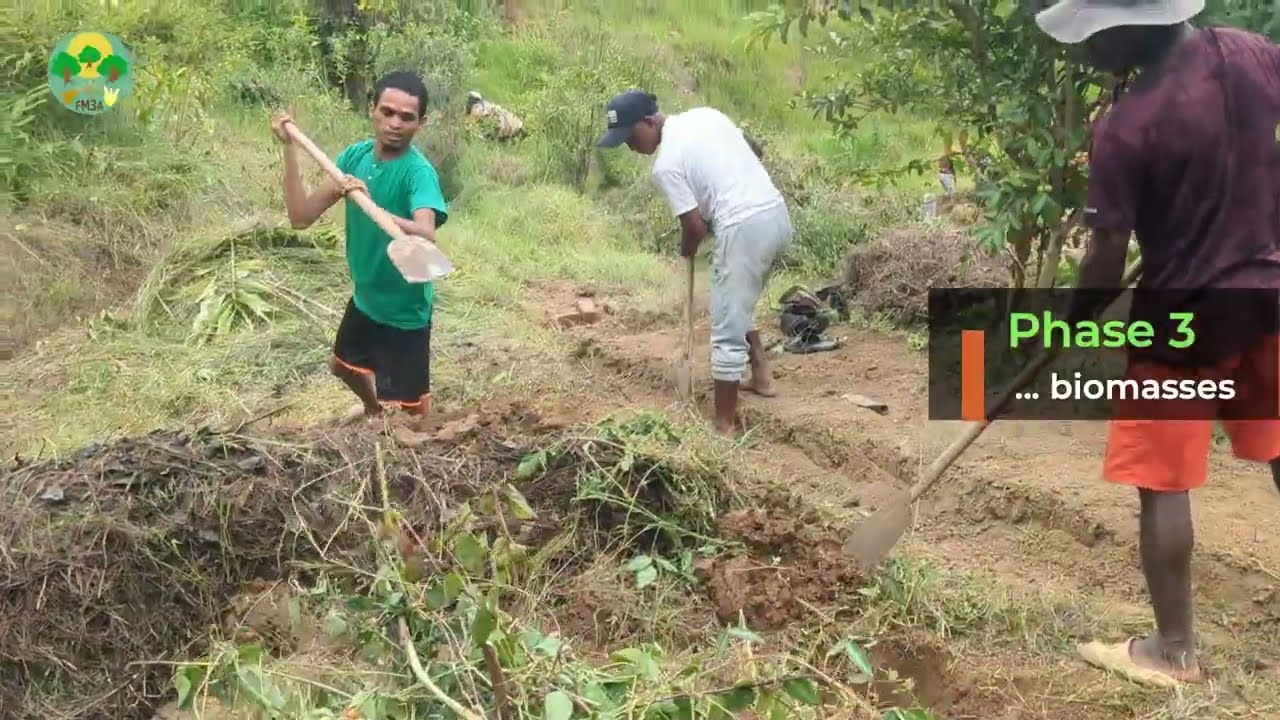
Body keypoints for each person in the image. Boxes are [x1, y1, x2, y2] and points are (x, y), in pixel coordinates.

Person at [1036, 0, 1280, 687]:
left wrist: (1072, 322)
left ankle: (1173, 649)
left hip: (1184, 322)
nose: (1087, 54)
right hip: (1268, 297)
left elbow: (1105, 255)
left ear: (1131, 26)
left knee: (1162, 482)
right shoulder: (1250, 53)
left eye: (1093, 38)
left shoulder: (1126, 127)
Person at [595, 90, 792, 435]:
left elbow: (694, 226)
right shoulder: (707, 115)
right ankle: (761, 374)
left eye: (630, 136)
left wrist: (685, 250)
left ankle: (723, 425)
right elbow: (753, 150)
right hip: (776, 216)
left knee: (725, 328)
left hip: (743, 225)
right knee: (735, 302)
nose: (629, 146)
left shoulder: (666, 164)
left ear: (649, 121)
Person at [270, 70, 449, 428]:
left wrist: (374, 206)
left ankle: (413, 428)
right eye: (387, 112)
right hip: (367, 296)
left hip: (404, 312)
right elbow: (300, 217)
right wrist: (288, 148)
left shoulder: (418, 173)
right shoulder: (354, 158)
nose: (394, 123)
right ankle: (373, 408)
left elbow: (426, 233)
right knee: (342, 366)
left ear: (421, 123)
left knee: (411, 419)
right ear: (372, 110)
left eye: (406, 117)